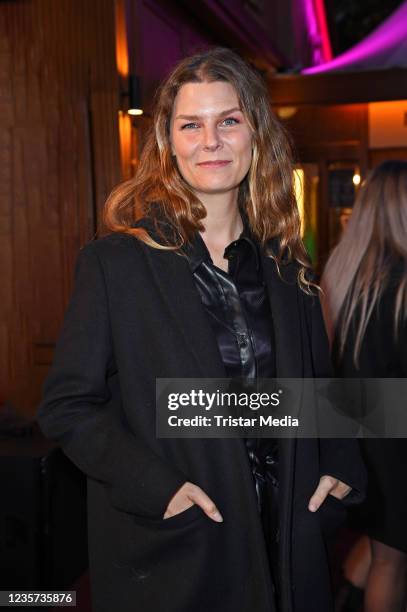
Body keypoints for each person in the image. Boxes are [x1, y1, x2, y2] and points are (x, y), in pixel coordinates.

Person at [37, 47, 365, 612]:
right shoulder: (116, 263)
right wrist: (156, 487)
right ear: (169, 143)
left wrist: (341, 463)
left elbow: (320, 394)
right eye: (191, 124)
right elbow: (68, 405)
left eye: (228, 121)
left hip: (287, 540)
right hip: (183, 547)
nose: (210, 140)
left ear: (255, 136)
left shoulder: (289, 266)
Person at [321, 160, 407, 612]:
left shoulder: (342, 272)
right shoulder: (401, 284)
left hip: (355, 437)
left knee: (378, 548)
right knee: (392, 561)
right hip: (393, 444)